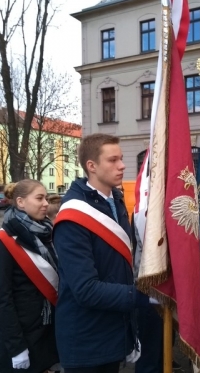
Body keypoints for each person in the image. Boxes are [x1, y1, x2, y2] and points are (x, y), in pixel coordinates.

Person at [53, 133, 149, 373]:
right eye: (113, 160)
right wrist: (146, 296)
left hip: (114, 328)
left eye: (122, 158)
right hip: (86, 339)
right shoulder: (73, 216)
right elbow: (86, 290)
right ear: (92, 166)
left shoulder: (115, 201)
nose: (122, 165)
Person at [0, 180, 59, 373]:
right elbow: (2, 300)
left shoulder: (47, 233)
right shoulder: (2, 242)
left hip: (45, 333)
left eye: (45, 197)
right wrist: (17, 347)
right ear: (20, 202)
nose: (45, 203)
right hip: (19, 339)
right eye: (39, 198)